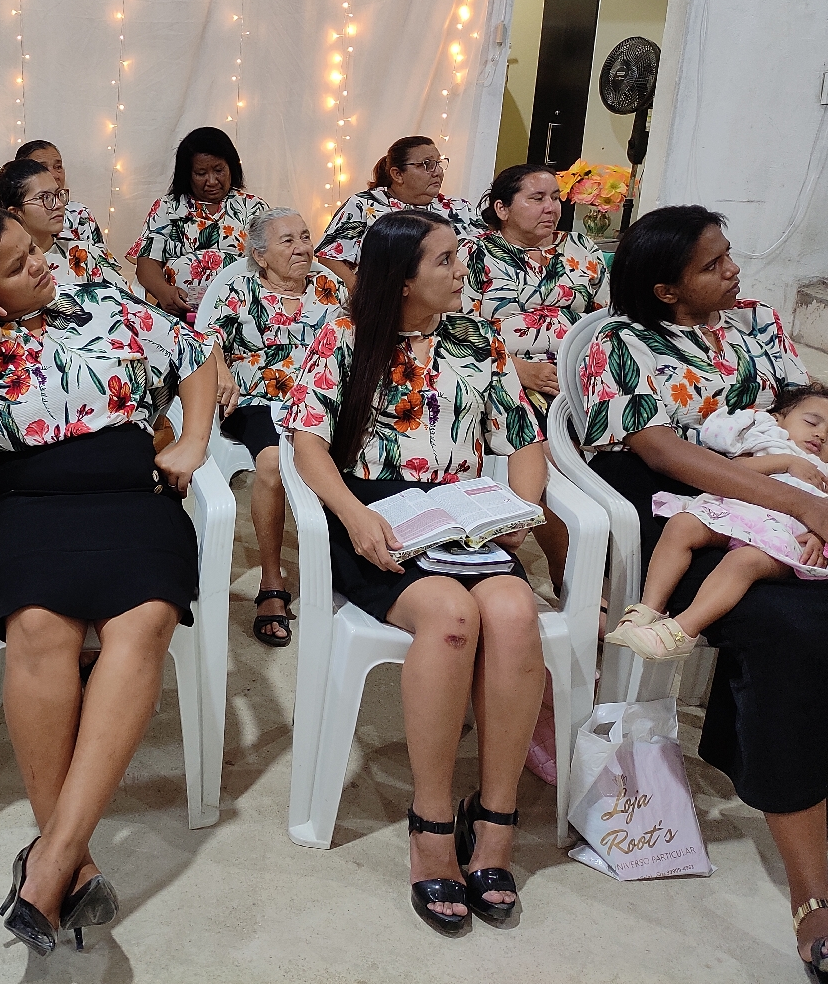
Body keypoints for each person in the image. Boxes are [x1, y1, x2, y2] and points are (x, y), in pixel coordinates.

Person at [579, 204, 828, 978]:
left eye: (729, 254)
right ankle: (812, 895)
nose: (734, 270)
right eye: (713, 264)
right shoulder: (621, 343)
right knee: (795, 631)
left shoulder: (756, 324)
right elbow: (662, 449)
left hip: (793, 503)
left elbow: (823, 429)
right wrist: (798, 503)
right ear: (666, 288)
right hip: (690, 512)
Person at [0, 206, 215, 956]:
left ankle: (48, 861)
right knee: (39, 626)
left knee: (145, 617)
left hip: (133, 501)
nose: (41, 265)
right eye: (17, 265)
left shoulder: (103, 301)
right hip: (29, 509)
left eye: (34, 250)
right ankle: (71, 863)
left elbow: (197, 354)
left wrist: (194, 439)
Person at [282, 210, 546, 934]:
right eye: (445, 260)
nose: (463, 271)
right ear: (402, 280)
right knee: (452, 616)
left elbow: (523, 439)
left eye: (459, 257)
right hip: (378, 514)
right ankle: (431, 823)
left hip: (461, 512)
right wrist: (353, 515)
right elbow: (307, 444)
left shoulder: (478, 339)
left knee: (515, 614)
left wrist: (521, 510)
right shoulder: (342, 337)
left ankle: (493, 819)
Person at [608, 383, 828, 659]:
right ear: (778, 419)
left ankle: (682, 631)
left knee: (743, 562)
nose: (821, 434)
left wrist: (819, 536)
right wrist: (785, 462)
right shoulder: (764, 444)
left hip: (783, 536)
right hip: (735, 514)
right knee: (681, 524)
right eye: (811, 422)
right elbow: (736, 469)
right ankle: (649, 609)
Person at [205, 207, 347, 646]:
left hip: (321, 401)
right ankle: (271, 580)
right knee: (271, 463)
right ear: (260, 256)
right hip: (258, 400)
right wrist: (221, 369)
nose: (302, 247)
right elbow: (206, 338)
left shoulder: (330, 286)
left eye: (305, 236)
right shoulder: (240, 288)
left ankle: (346, 568)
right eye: (288, 240)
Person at [0, 157, 130, 350]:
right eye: (45, 198)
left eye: (58, 194)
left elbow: (130, 311)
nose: (58, 204)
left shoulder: (84, 255)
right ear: (14, 212)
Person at [462, 164, 608, 422]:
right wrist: (517, 369)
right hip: (504, 372)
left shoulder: (580, 247)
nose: (551, 208)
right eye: (537, 198)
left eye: (555, 197)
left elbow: (608, 316)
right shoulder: (474, 253)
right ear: (502, 209)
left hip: (584, 369)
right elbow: (457, 328)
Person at [126, 126, 270, 318]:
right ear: (187, 174)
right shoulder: (168, 207)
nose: (212, 181)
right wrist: (163, 292)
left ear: (231, 167)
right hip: (180, 312)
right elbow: (146, 263)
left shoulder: (254, 207)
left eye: (219, 170)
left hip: (241, 313)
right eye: (201, 173)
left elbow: (272, 260)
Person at [315, 136, 480, 291]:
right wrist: (363, 296)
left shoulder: (461, 208)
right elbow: (328, 257)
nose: (438, 172)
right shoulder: (364, 205)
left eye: (438, 163)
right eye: (427, 164)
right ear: (398, 174)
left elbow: (487, 252)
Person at [14, 139, 107, 246]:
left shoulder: (80, 214)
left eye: (58, 167)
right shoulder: (6, 220)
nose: (54, 175)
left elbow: (100, 254)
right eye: (42, 169)